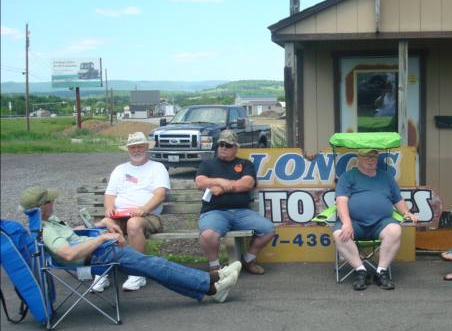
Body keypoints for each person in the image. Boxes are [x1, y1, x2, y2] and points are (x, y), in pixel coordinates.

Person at [19, 186, 240, 304]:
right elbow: (68, 254)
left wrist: (100, 224)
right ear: (42, 206)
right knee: (154, 264)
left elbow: (70, 236)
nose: (53, 202)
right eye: (50, 201)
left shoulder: (47, 222)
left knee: (152, 268)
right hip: (98, 257)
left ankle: (211, 289)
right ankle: (211, 280)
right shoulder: (45, 230)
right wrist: (101, 238)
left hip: (101, 252)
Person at [92, 132, 171, 293]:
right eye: (133, 147)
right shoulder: (120, 169)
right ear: (128, 149)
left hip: (149, 216)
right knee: (105, 227)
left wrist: (143, 209)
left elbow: (160, 195)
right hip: (120, 215)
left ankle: (137, 273)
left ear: (147, 147)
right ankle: (101, 274)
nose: (136, 150)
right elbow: (110, 194)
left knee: (133, 224)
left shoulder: (157, 167)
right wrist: (109, 209)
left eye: (140, 147)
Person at [333, 148, 418, 291]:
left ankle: (381, 272)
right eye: (367, 157)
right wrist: (347, 223)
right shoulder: (348, 177)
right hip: (355, 223)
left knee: (395, 230)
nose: (371, 160)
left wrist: (406, 213)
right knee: (339, 234)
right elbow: (341, 201)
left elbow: (397, 199)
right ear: (358, 158)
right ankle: (361, 271)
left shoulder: (386, 177)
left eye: (374, 157)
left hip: (381, 223)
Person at [195, 130, 275, 275]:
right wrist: (221, 181)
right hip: (214, 212)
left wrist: (222, 189)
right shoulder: (207, 164)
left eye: (228, 145)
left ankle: (248, 259)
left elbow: (247, 184)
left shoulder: (245, 164)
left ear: (236, 147)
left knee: (268, 229)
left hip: (242, 212)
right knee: (207, 235)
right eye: (221, 144)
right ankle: (214, 267)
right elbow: (200, 182)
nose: (223, 148)